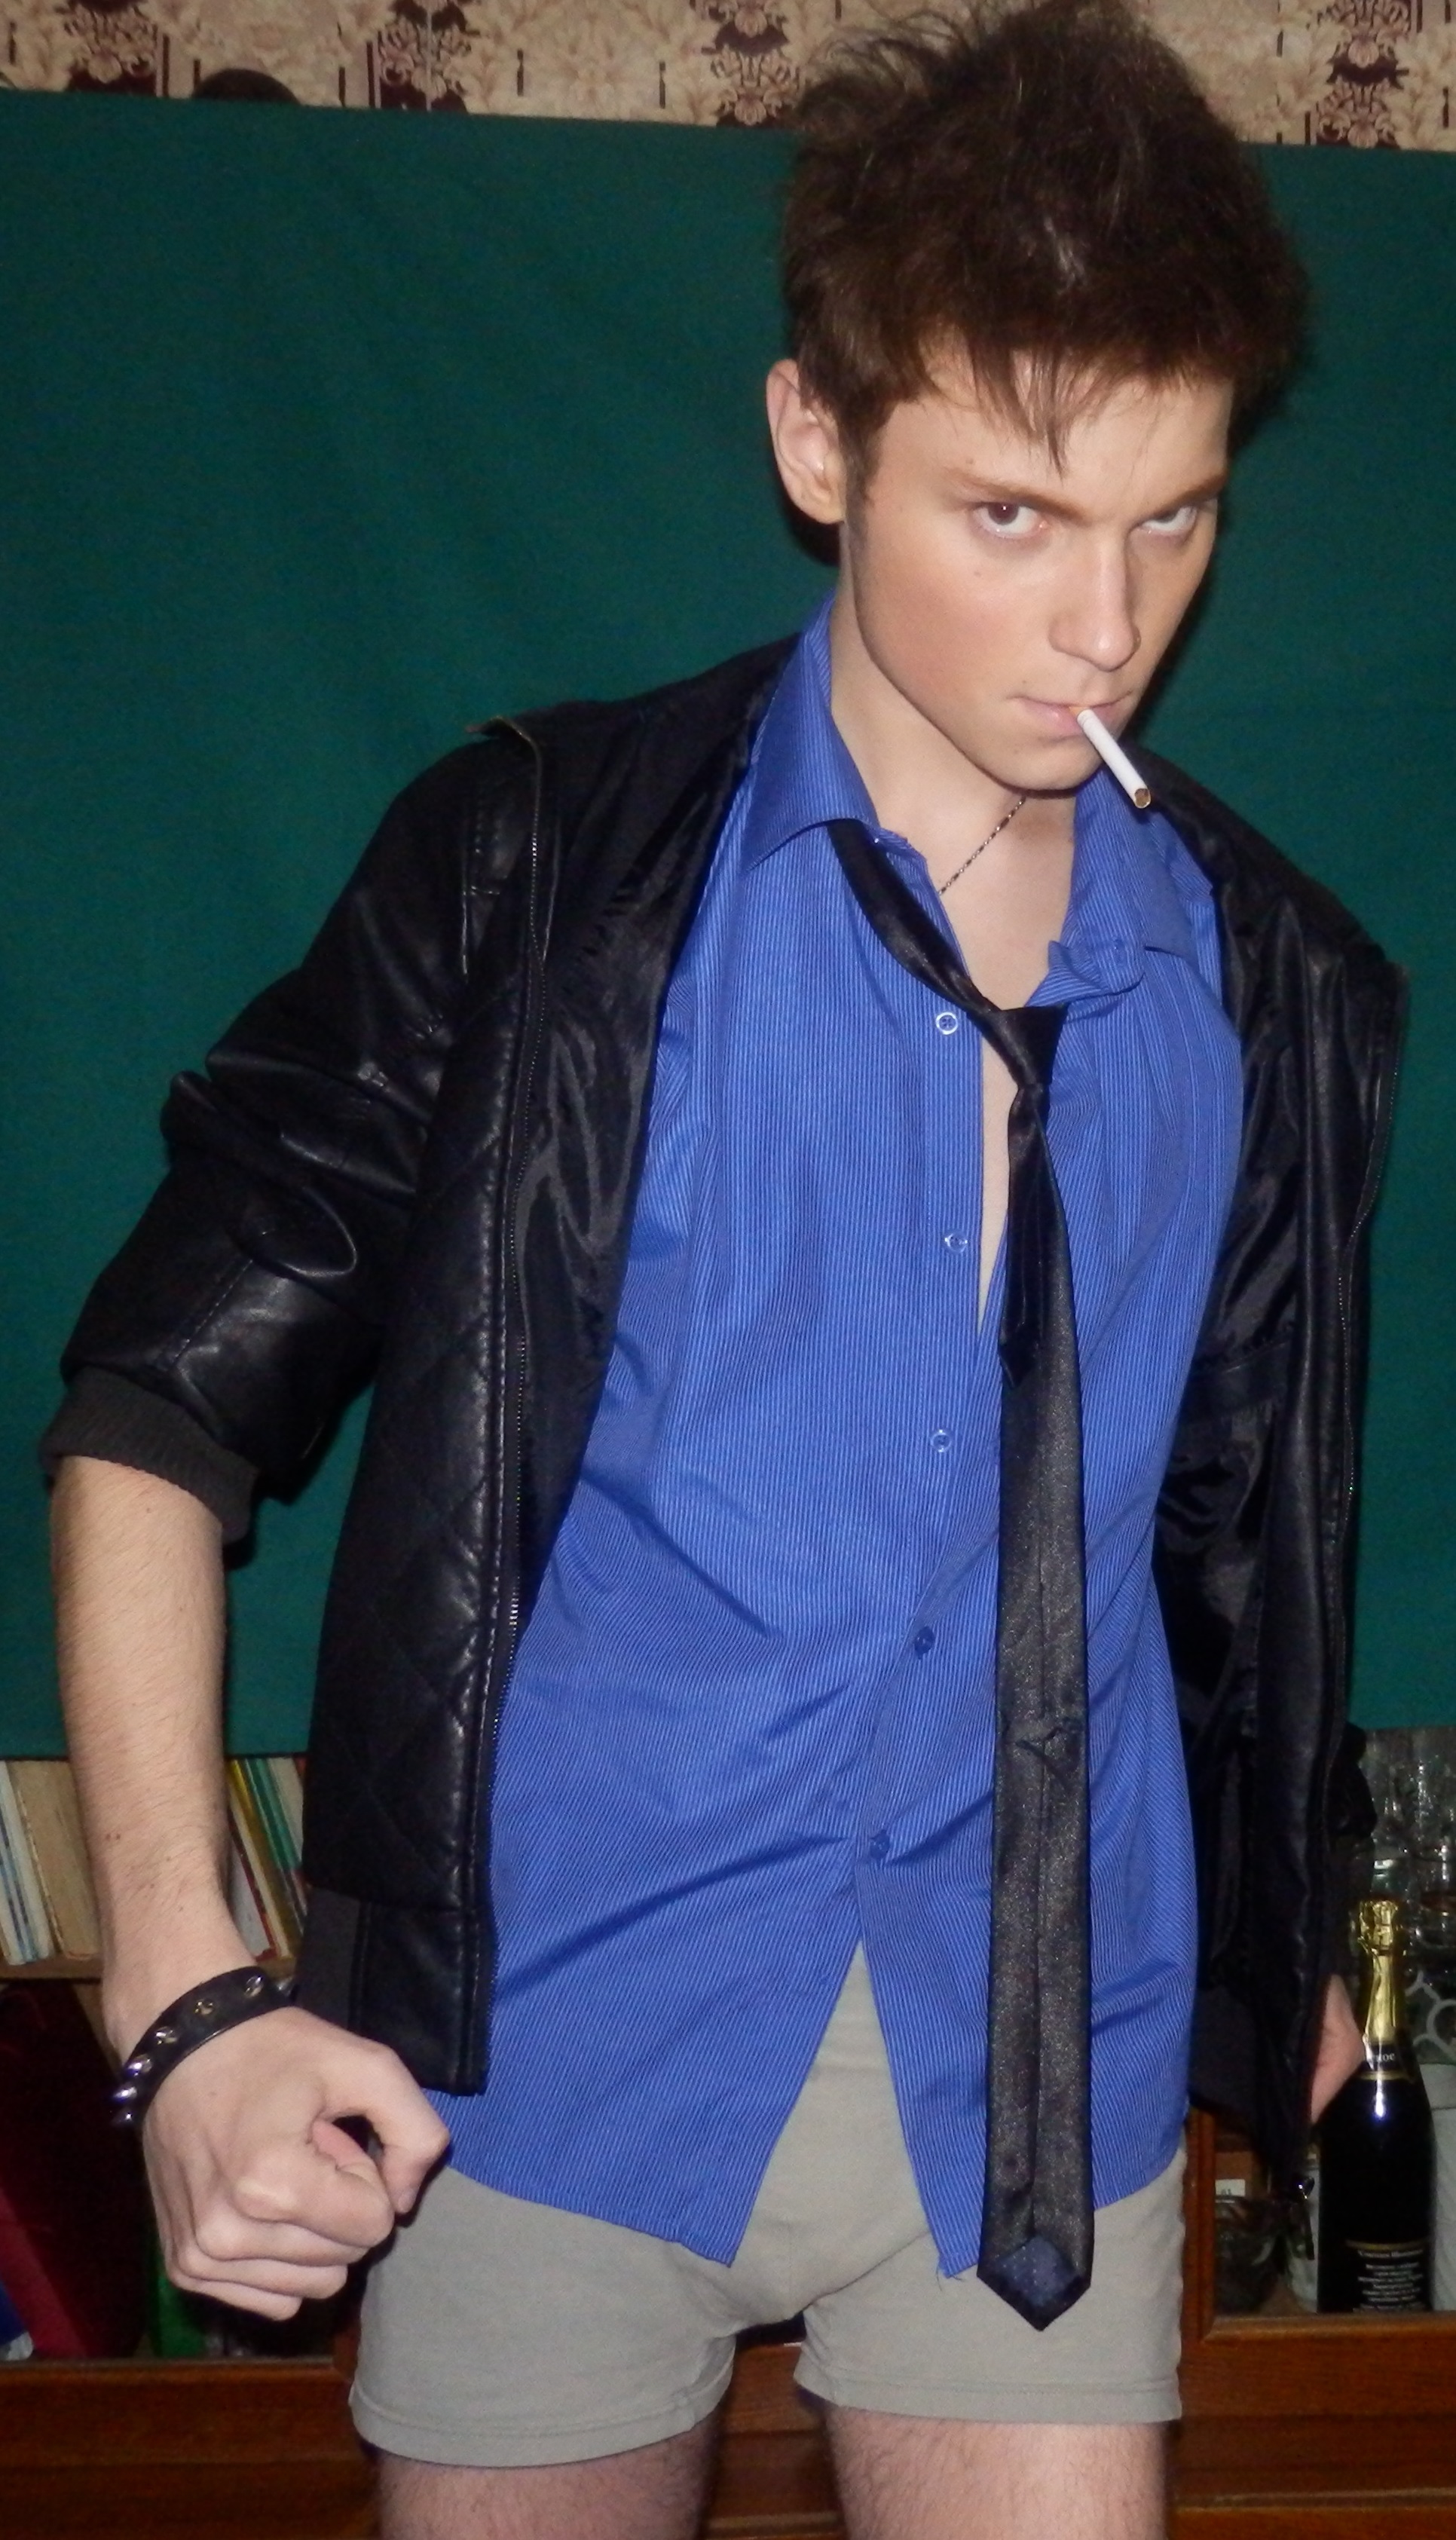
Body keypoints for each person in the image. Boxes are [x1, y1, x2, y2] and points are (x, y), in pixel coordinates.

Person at [43, 4, 1402, 2534]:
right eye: (1010, 513)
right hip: (541, 2054)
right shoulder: (533, 869)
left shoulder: (1278, 985)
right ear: (815, 441)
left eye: (1171, 519)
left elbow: (1224, 1530)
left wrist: (1277, 1926)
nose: (1104, 624)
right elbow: (156, 1406)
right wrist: (182, 1991)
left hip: (1043, 2064)